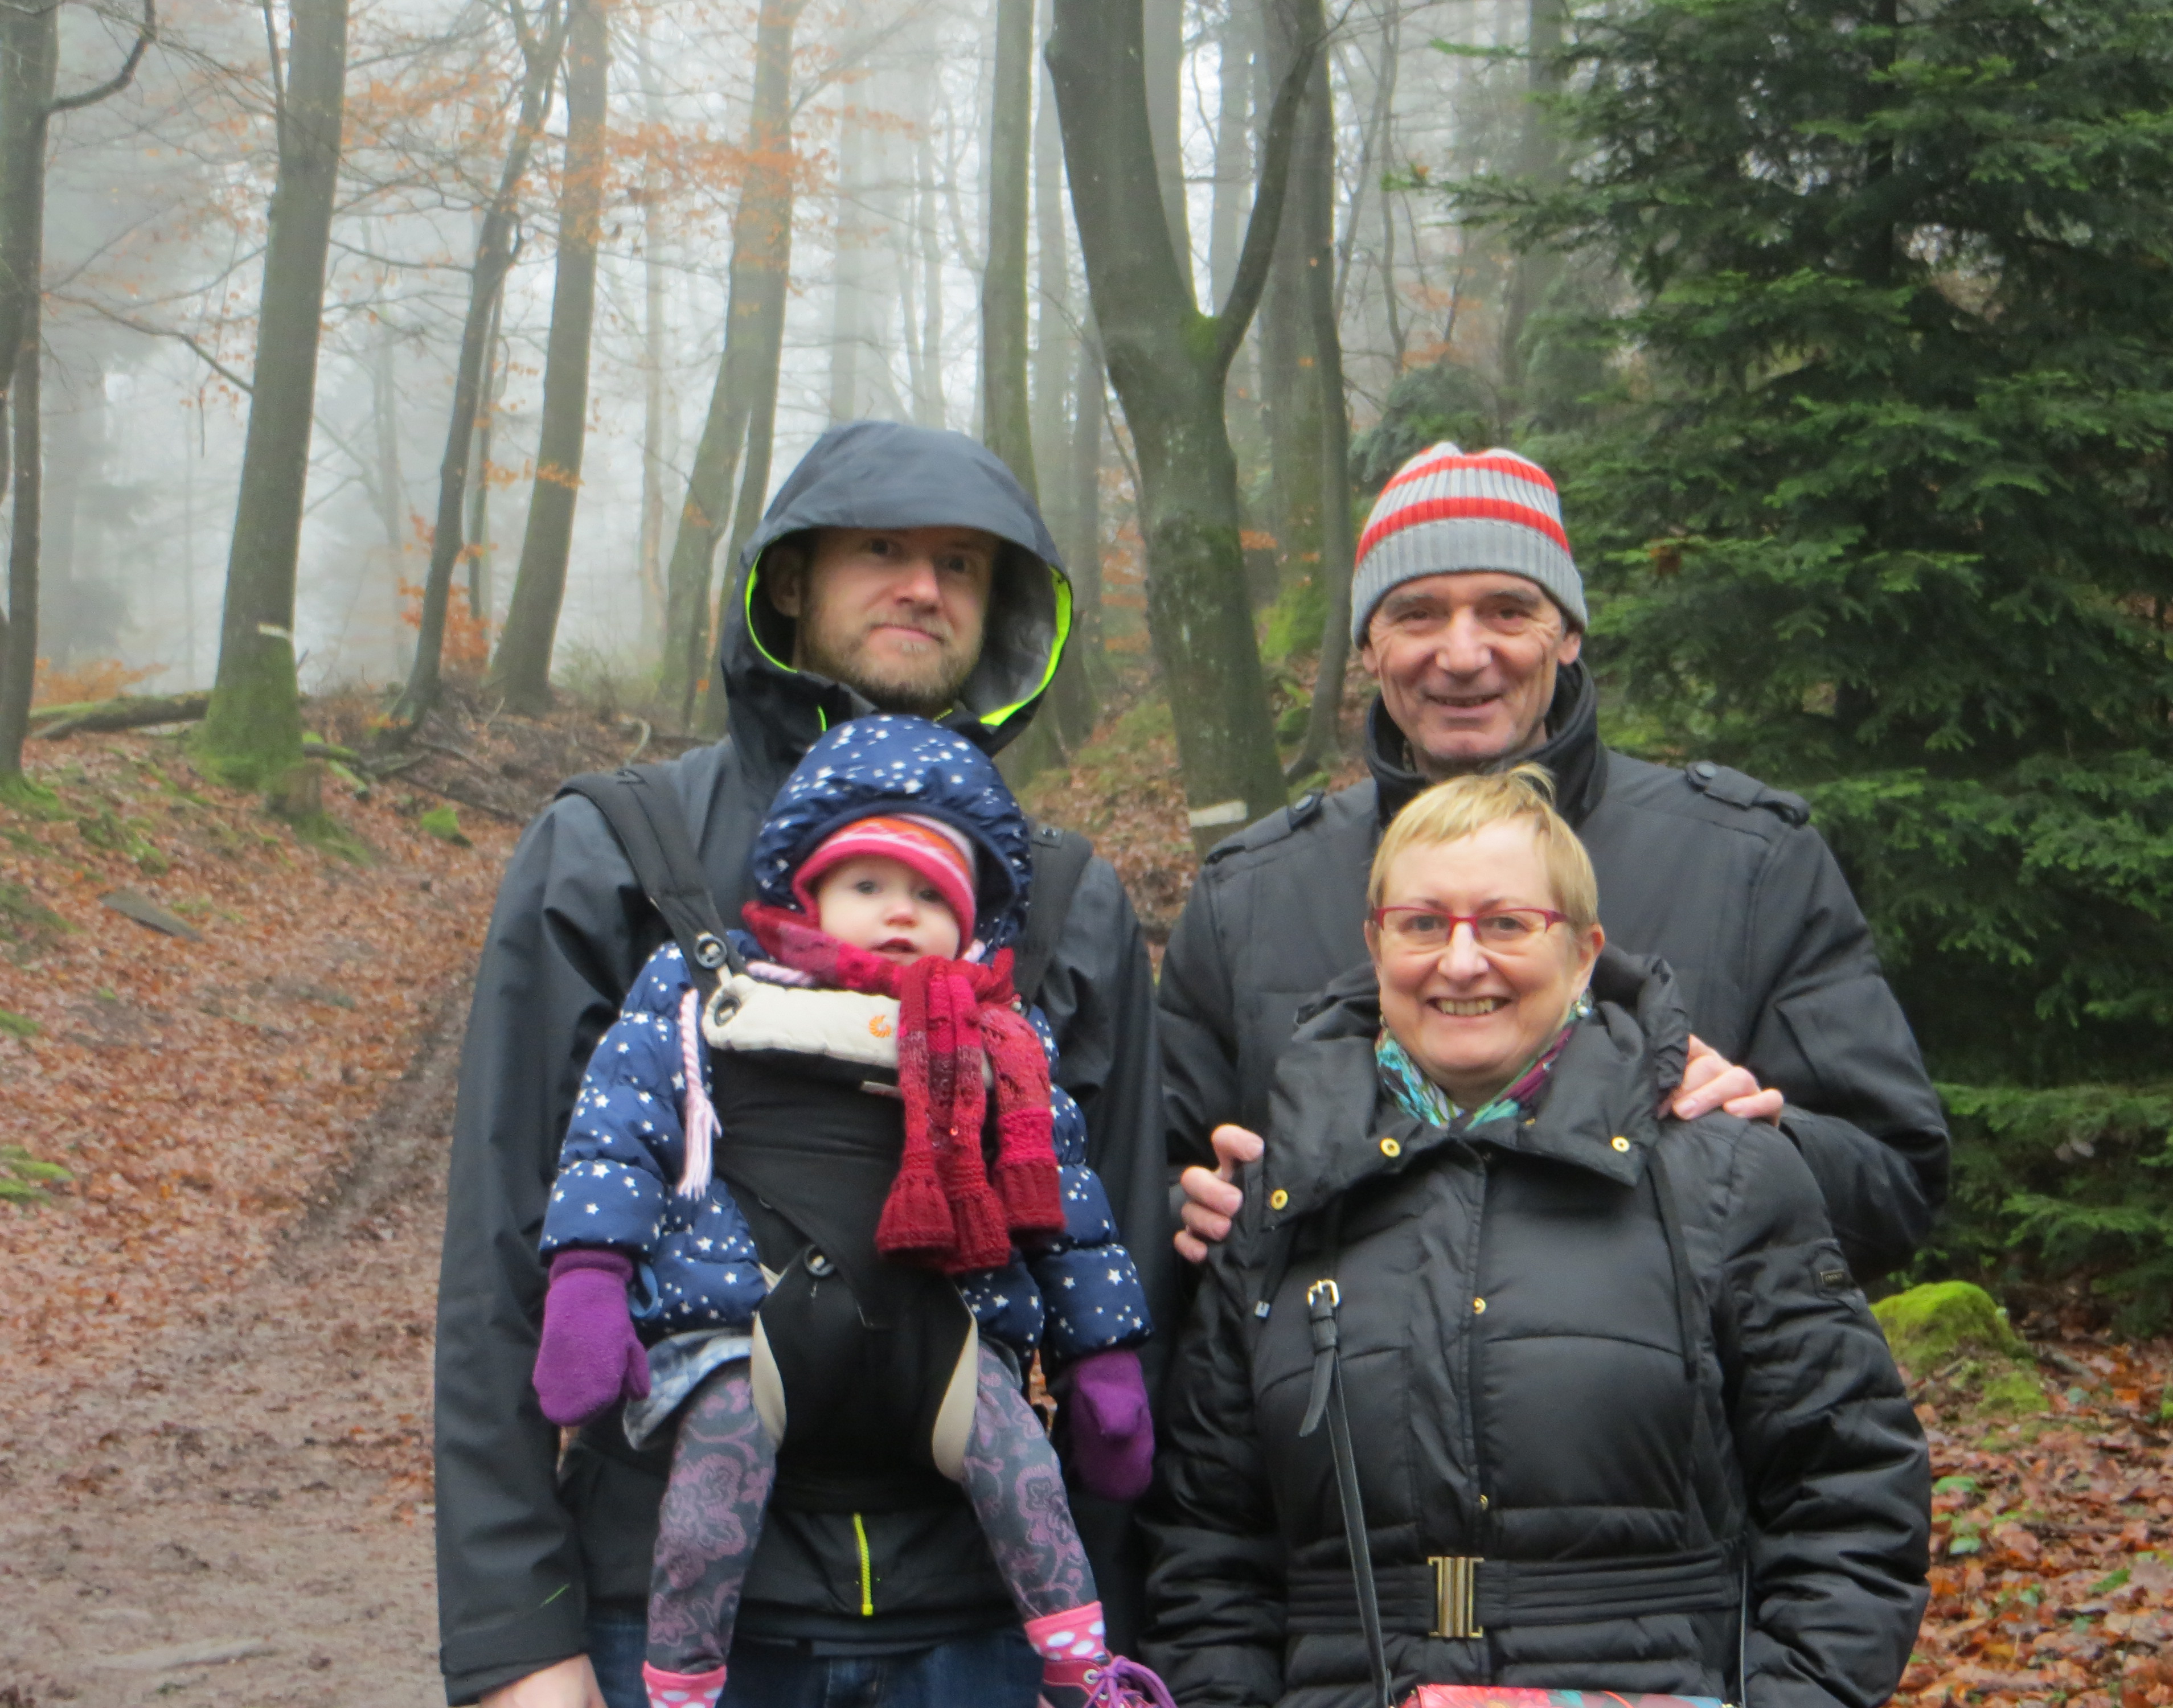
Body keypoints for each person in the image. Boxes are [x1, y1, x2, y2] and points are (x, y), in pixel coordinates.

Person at [434, 422, 1170, 1708]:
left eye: (961, 564)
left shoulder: (1063, 900)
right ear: (788, 580)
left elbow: (1122, 1257)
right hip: (662, 1616)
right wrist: (514, 1642)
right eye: (881, 549)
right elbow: (506, 1240)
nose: (923, 587)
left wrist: (1109, 1641)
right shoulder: (620, 848)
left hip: (985, 1626)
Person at [1146, 767, 1931, 1707]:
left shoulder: (1722, 1180)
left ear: (1584, 951)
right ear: (1375, 943)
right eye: (1422, 923)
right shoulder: (1280, 1202)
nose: (1461, 961)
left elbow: (1850, 1496)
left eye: (1507, 924)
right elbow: (1209, 1548)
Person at [1163, 441, 1948, 1280]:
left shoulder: (1747, 863)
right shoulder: (1250, 897)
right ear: (1367, 646)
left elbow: (1896, 1185)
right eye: (1418, 614)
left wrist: (1768, 1141)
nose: (1462, 654)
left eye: (1507, 611)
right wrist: (1185, 1208)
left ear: (1568, 633)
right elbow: (1144, 1182)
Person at [531, 716, 1169, 1708]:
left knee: (1020, 1462)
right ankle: (683, 1684)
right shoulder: (708, 999)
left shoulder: (1003, 1042)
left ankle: (1081, 1669)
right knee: (718, 1464)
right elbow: (619, 1131)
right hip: (743, 1325)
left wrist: (1103, 1360)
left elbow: (1070, 1209)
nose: (900, 911)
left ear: (975, 917)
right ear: (810, 890)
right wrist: (588, 1279)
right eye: (868, 884)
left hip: (943, 1332)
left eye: (932, 894)